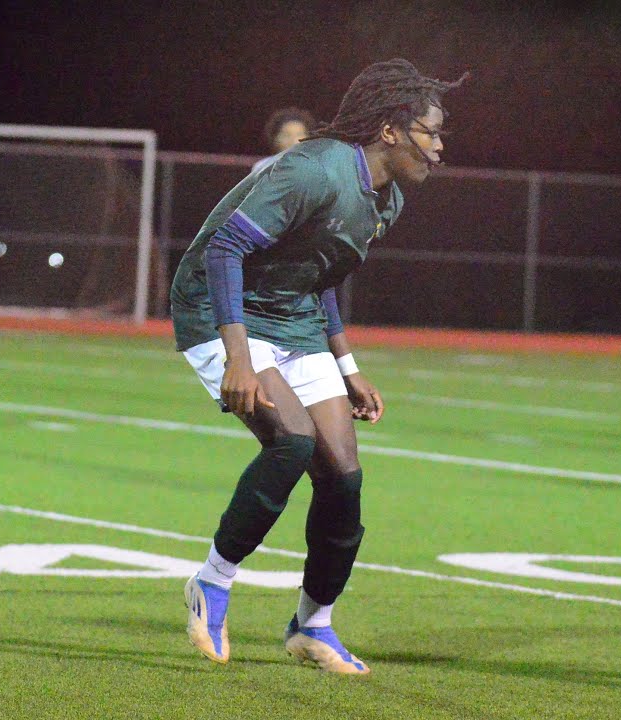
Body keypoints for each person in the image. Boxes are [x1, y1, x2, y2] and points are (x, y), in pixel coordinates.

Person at [170, 59, 465, 673]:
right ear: (389, 130)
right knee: (292, 443)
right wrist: (240, 358)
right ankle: (213, 580)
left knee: (344, 477)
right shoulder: (315, 168)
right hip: (218, 306)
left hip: (294, 317)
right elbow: (225, 247)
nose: (438, 148)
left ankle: (312, 624)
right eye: (430, 132)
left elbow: (319, 272)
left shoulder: (389, 197)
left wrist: (346, 362)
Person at [250, 107, 316, 176]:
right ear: (275, 138)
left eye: (299, 134)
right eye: (286, 135)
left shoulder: (317, 168)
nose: (293, 141)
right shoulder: (262, 167)